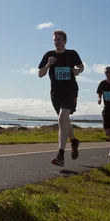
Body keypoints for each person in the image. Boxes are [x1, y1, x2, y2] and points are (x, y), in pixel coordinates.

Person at [38, 30, 84, 166]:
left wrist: (78, 71)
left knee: (61, 118)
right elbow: (40, 74)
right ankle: (74, 141)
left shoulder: (72, 54)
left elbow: (81, 66)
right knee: (64, 120)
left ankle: (60, 155)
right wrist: (48, 65)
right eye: (54, 40)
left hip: (70, 91)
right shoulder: (49, 55)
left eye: (59, 39)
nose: (56, 42)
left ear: (65, 41)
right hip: (55, 93)